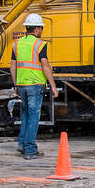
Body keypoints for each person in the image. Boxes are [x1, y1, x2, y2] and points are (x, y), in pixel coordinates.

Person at [10, 13, 58, 158]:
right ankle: (30, 150)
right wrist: (53, 86)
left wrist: (16, 84)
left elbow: (12, 66)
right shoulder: (39, 44)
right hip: (35, 84)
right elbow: (45, 66)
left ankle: (22, 144)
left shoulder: (17, 44)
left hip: (22, 84)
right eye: (41, 28)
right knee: (33, 116)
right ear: (37, 29)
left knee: (25, 114)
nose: (41, 31)